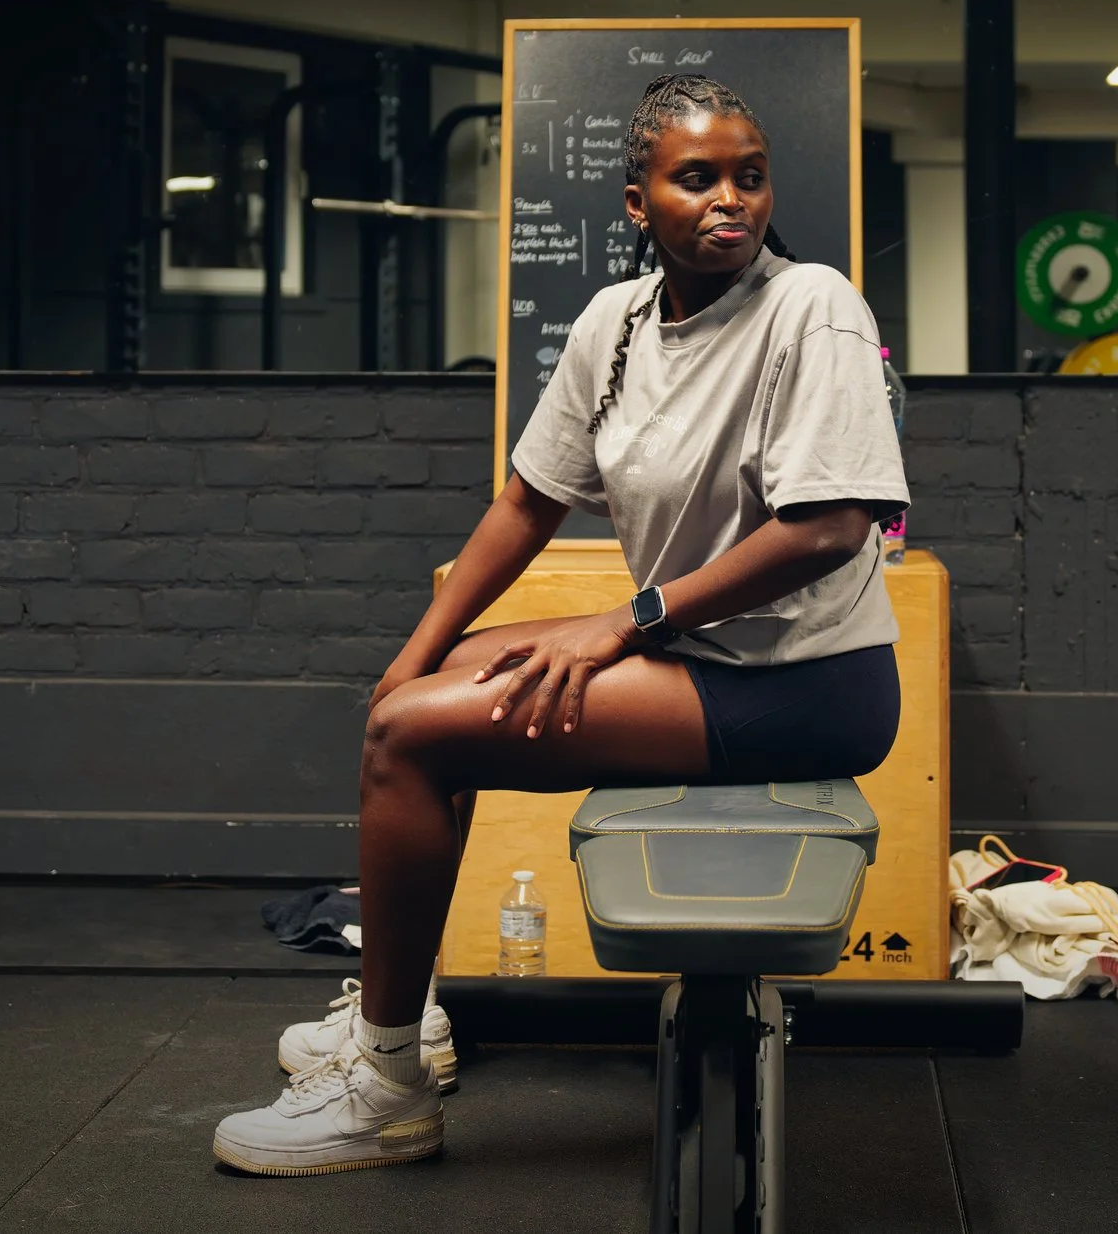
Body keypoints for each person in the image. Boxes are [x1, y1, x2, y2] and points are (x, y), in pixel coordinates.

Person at [212, 74, 911, 1177]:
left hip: (803, 682)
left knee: (416, 738)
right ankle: (413, 1015)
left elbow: (827, 528)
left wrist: (621, 622)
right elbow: (528, 500)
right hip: (702, 653)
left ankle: (386, 1087)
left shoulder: (809, 305)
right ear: (639, 203)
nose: (730, 199)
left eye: (750, 175)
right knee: (418, 699)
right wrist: (413, 653)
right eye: (696, 178)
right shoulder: (614, 323)